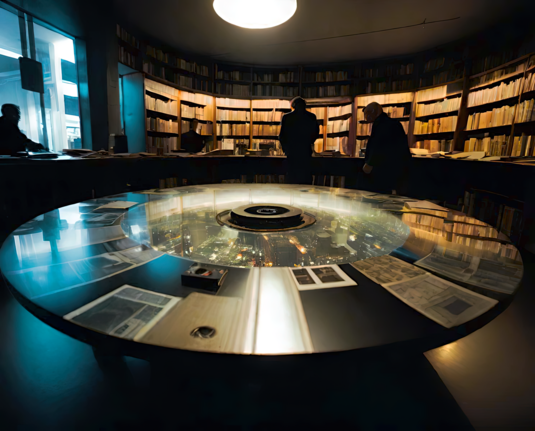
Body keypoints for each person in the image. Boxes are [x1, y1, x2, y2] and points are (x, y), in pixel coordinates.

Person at [361, 102, 412, 194]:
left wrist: (369, 163)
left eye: (367, 113)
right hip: (398, 168)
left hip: (383, 168)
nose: (365, 117)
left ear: (373, 112)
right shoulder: (394, 123)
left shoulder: (380, 124)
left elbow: (378, 145)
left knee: (379, 194)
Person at [278, 97, 319, 184]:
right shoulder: (311, 117)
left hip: (292, 152)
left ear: (294, 106)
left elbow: (282, 136)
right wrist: (309, 142)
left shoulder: (287, 117)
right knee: (305, 177)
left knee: (292, 177)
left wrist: (286, 149)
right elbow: (315, 134)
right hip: (305, 151)